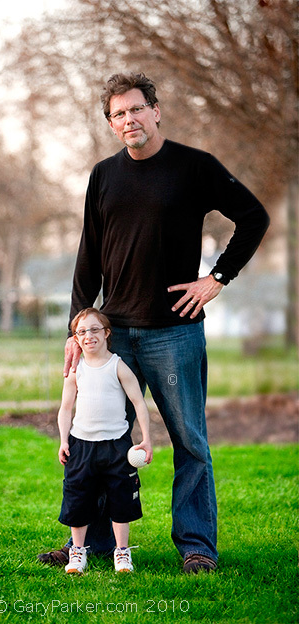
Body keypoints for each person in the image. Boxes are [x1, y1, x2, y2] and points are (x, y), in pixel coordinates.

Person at [38, 71, 270, 574]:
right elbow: (88, 257)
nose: (129, 119)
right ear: (110, 123)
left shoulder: (194, 167)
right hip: (114, 335)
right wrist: (76, 331)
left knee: (189, 441)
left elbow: (254, 216)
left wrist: (217, 278)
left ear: (156, 110)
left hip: (175, 331)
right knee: (99, 438)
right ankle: (93, 543)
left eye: (137, 109)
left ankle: (196, 548)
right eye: (118, 113)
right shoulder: (103, 175)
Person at [58, 307, 153, 574]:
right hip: (81, 446)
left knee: (121, 499)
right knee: (78, 498)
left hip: (116, 446)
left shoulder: (118, 365)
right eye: (82, 331)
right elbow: (66, 408)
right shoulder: (75, 371)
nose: (89, 335)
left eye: (95, 329)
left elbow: (138, 401)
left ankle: (121, 552)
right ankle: (77, 552)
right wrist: (64, 440)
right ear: (75, 339)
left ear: (107, 333)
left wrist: (146, 439)